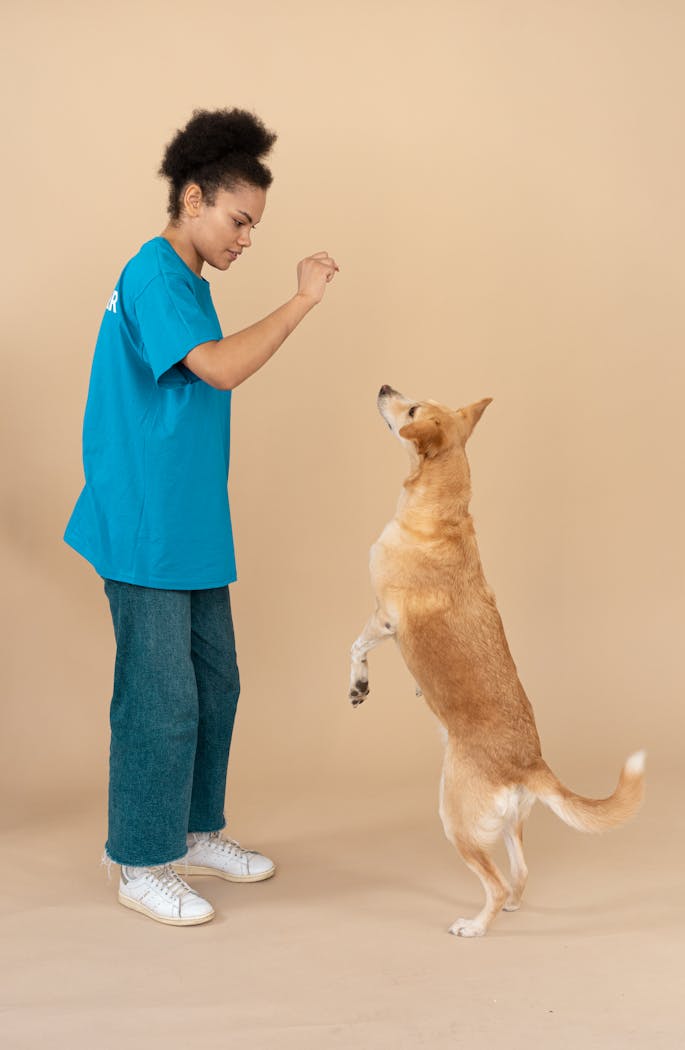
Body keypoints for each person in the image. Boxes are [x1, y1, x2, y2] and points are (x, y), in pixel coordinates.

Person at [63, 107, 339, 926]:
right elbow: (216, 371)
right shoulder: (153, 273)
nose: (246, 238)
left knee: (215, 685)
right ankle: (139, 858)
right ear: (192, 198)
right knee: (160, 699)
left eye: (254, 226)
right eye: (238, 219)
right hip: (144, 525)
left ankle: (187, 831)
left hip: (188, 528)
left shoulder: (185, 284)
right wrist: (299, 303)